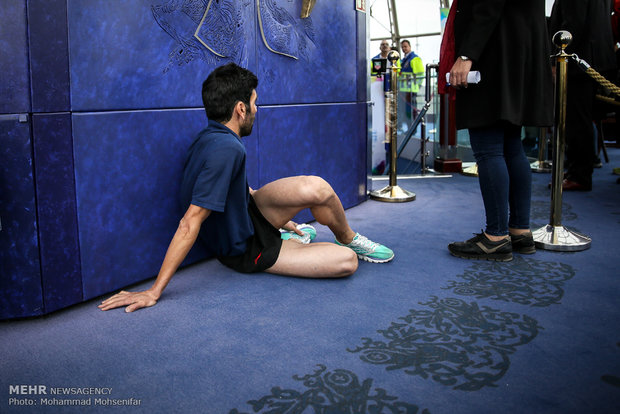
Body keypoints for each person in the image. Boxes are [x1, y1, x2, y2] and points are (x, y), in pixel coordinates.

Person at [99, 63, 394, 312]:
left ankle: (347, 236)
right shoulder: (227, 149)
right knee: (346, 262)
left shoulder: (212, 136)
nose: (256, 108)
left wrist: (282, 216)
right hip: (245, 247)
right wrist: (154, 291)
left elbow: (234, 186)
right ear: (240, 109)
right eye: (254, 103)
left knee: (317, 188)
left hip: (248, 215)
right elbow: (190, 222)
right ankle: (290, 244)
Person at [443, 0, 553, 261]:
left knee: (489, 147)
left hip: (494, 54)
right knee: (512, 144)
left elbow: (489, 4)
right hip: (519, 52)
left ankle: (496, 237)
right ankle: (519, 230)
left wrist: (467, 54)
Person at [549, 0, 617, 191]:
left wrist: (557, 58)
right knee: (581, 119)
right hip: (597, 57)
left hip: (579, 62)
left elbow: (572, 26)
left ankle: (579, 174)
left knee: (576, 121)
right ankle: (577, 169)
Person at [399, 39, 424, 124]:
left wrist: (417, 86)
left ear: (410, 47)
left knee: (411, 110)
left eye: (405, 46)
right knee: (405, 110)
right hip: (404, 90)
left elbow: (420, 75)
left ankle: (412, 129)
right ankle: (409, 127)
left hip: (411, 90)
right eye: (402, 47)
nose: (404, 48)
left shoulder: (414, 59)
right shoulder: (403, 60)